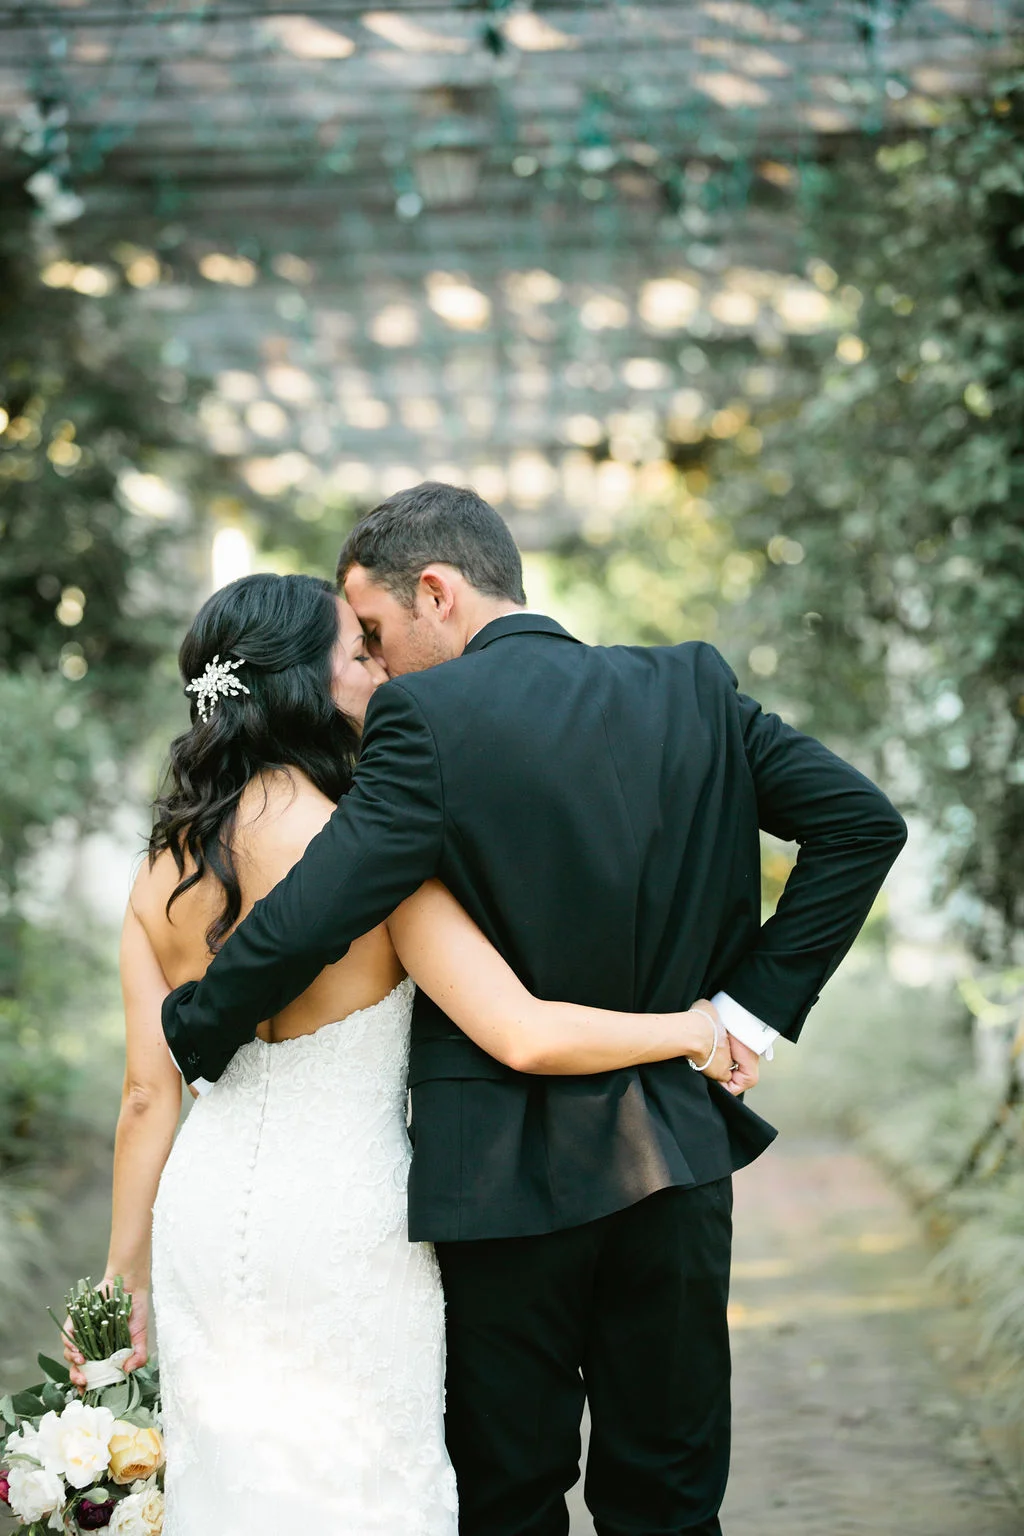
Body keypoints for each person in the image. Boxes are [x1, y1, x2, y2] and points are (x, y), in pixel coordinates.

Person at [162, 484, 908, 1536]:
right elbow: (861, 824)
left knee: (508, 1500)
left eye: (372, 632)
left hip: (497, 1181)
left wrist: (197, 1023)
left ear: (437, 592)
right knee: (670, 1498)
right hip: (676, 1156)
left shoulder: (426, 719)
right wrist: (745, 1012)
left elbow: (316, 909)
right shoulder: (690, 688)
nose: (369, 666)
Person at [63, 571, 736, 1535]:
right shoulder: (378, 861)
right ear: (301, 683)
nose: (378, 672)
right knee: (366, 1478)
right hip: (354, 1217)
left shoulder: (156, 875)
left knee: (232, 1482)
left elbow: (144, 1096)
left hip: (207, 1221)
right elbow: (523, 1031)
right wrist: (693, 1030)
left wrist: (120, 1275)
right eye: (356, 653)